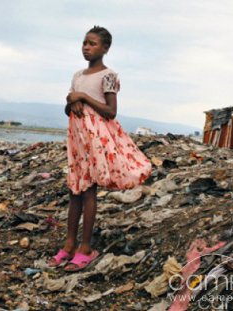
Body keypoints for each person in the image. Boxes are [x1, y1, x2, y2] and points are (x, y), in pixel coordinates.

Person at [48, 26, 152, 272]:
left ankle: (86, 247)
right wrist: (71, 102)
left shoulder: (108, 75)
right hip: (78, 138)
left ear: (105, 48)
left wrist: (82, 97)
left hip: (97, 138)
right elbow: (71, 107)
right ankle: (69, 244)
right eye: (84, 42)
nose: (86, 47)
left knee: (89, 190)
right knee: (75, 188)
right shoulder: (77, 75)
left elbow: (110, 111)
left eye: (92, 43)